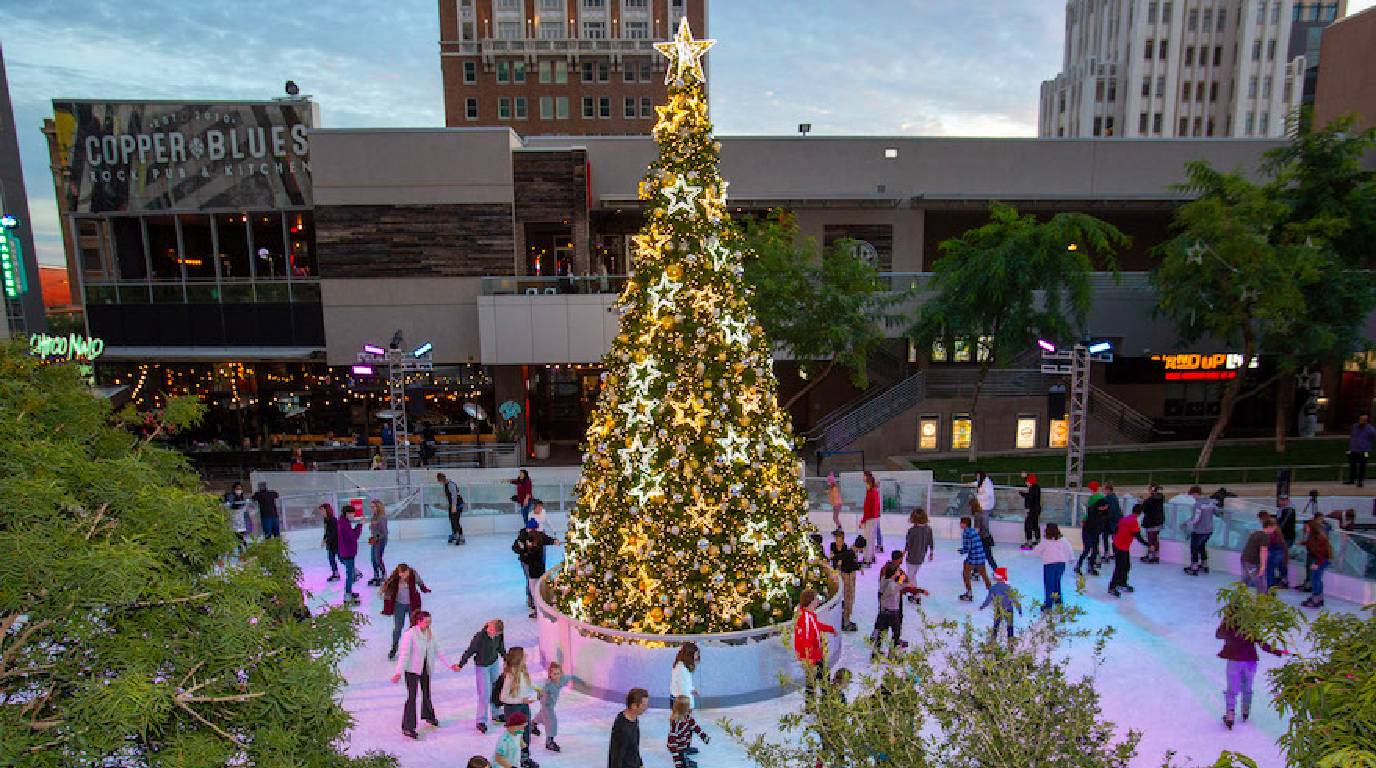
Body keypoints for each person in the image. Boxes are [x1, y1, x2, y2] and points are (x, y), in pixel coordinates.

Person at [390, 610, 460, 740]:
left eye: (430, 621)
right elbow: (404, 654)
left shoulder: (430, 633)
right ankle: (408, 727)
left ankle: (429, 716)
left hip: (425, 668)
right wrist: (398, 672)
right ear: (419, 621)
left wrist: (450, 664)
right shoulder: (409, 635)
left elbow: (438, 650)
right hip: (411, 670)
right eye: (426, 622)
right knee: (412, 697)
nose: (429, 624)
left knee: (427, 693)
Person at [1215, 608, 1286, 729]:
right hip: (1250, 660)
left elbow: (1219, 635)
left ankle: (1230, 714)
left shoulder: (1229, 622)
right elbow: (1261, 643)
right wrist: (1278, 651)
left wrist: (1226, 622)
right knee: (1247, 686)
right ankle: (1245, 711)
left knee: (1232, 689)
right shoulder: (1250, 623)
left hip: (1234, 660)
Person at [458, 619, 507, 734]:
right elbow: (469, 651)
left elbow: (500, 647)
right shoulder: (479, 637)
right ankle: (481, 720)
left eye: (496, 633)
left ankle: (496, 713)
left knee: (496, 689)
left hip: (494, 663)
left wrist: (506, 658)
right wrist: (461, 664)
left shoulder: (499, 635)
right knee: (484, 693)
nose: (494, 634)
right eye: (493, 631)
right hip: (482, 666)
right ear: (489, 627)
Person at [792, 588, 837, 709]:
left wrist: (830, 629)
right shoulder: (805, 618)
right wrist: (809, 657)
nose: (818, 601)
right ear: (810, 601)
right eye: (816, 599)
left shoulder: (809, 615)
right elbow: (805, 638)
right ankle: (813, 706)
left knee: (822, 677)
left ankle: (823, 701)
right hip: (812, 656)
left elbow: (816, 626)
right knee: (813, 681)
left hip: (816, 654)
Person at [872, 560, 926, 659]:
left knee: (882, 633)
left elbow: (900, 586)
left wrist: (917, 589)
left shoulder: (885, 579)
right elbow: (895, 589)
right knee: (895, 634)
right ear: (893, 573)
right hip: (892, 612)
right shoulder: (891, 584)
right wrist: (902, 581)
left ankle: (876, 653)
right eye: (897, 571)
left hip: (885, 612)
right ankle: (891, 655)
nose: (899, 572)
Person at [381, 563, 432, 659]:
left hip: (412, 604)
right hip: (399, 605)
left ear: (408, 571)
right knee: (398, 628)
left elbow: (420, 582)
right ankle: (394, 647)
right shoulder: (395, 578)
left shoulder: (413, 574)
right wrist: (386, 603)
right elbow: (388, 589)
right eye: (402, 574)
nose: (404, 576)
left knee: (415, 627)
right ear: (399, 573)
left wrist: (424, 588)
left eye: (406, 573)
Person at [499, 647, 540, 764]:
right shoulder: (510, 676)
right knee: (517, 735)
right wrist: (521, 700)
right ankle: (517, 759)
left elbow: (529, 684)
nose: (526, 656)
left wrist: (538, 690)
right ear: (518, 658)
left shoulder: (523, 671)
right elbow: (503, 698)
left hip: (523, 706)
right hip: (513, 709)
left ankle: (525, 757)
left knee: (526, 731)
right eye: (524, 655)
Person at [513, 520, 559, 618]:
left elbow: (546, 540)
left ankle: (540, 607)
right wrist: (522, 550)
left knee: (536, 587)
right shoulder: (523, 534)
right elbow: (515, 547)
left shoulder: (538, 536)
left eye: (533, 528)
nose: (530, 530)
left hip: (534, 567)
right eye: (530, 528)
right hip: (531, 565)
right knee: (533, 585)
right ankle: (534, 602)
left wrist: (554, 541)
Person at [1108, 504, 1149, 598]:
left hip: (1120, 545)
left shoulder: (1125, 518)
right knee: (1120, 567)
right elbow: (1138, 536)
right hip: (1120, 546)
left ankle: (1122, 583)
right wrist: (1148, 545)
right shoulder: (1133, 521)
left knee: (1126, 565)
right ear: (1140, 513)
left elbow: (1116, 529)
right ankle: (1112, 587)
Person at [533, 661, 573, 752]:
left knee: (542, 716)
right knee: (551, 721)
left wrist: (582, 682)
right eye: (554, 674)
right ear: (550, 674)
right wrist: (540, 695)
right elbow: (541, 692)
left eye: (558, 673)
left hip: (550, 704)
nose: (556, 676)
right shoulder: (548, 684)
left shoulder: (562, 679)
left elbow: (571, 677)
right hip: (546, 704)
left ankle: (532, 724)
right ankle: (549, 741)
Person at [1032, 523, 1074, 610]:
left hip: (1049, 565)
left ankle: (1048, 605)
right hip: (1061, 565)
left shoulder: (1045, 541)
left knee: (1049, 584)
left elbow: (1036, 551)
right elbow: (1069, 549)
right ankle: (1058, 601)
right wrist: (1071, 558)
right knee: (1057, 582)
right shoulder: (1063, 540)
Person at [980, 567, 1021, 646]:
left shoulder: (993, 588)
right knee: (1010, 626)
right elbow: (1014, 599)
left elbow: (988, 599)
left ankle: (993, 641)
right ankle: (1010, 643)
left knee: (996, 625)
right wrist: (1019, 608)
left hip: (999, 608)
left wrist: (983, 606)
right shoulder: (1009, 588)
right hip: (1009, 609)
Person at [609, 688, 649, 768]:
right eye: (644, 705)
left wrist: (640, 764)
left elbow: (634, 747)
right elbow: (616, 758)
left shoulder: (633, 719)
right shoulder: (622, 729)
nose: (646, 708)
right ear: (634, 706)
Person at [828, 530, 860, 632]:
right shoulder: (832, 545)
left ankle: (845, 616)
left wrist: (838, 562)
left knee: (848, 594)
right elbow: (833, 558)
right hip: (836, 572)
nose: (839, 542)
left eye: (840, 540)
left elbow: (840, 561)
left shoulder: (846, 548)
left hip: (843, 572)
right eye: (837, 540)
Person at [667, 695, 710, 768]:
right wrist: (677, 761)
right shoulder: (677, 724)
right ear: (683, 709)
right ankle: (683, 756)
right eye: (688, 706)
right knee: (686, 764)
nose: (690, 707)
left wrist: (704, 736)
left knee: (690, 729)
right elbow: (672, 744)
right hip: (678, 748)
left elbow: (695, 727)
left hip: (685, 743)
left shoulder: (688, 717)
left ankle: (686, 749)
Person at [1183, 485, 1218, 575]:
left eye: (1192, 495)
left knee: (1194, 548)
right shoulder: (1210, 502)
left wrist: (1186, 523)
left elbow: (1196, 519)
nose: (1192, 497)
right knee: (1202, 546)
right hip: (1209, 530)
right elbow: (1217, 512)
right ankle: (1204, 565)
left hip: (1199, 531)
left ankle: (1194, 568)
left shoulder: (1198, 504)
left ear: (1195, 493)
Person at [1075, 481, 1108, 576]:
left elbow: (1088, 514)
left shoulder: (1093, 500)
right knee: (1093, 548)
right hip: (1092, 529)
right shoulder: (1099, 500)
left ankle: (1080, 565)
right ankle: (1088, 566)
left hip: (1090, 529)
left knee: (1089, 549)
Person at [957, 515, 992, 602]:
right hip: (981, 556)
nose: (960, 524)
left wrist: (961, 551)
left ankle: (969, 594)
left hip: (973, 557)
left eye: (961, 523)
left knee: (965, 574)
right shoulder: (973, 531)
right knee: (984, 576)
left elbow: (968, 547)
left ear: (965, 524)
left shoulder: (966, 533)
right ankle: (993, 594)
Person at [902, 508, 935, 600]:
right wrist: (931, 553)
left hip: (912, 557)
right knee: (912, 575)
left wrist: (903, 554)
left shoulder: (912, 531)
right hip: (921, 556)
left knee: (910, 576)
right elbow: (930, 542)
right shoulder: (928, 529)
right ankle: (913, 593)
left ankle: (916, 595)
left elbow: (908, 544)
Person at [1300, 517, 1332, 608]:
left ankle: (1316, 599)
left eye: (1307, 527)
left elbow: (1322, 553)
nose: (1306, 529)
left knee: (1315, 579)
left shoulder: (1319, 539)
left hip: (1321, 560)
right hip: (1320, 559)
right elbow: (1310, 544)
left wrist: (1317, 563)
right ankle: (1319, 598)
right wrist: (1303, 543)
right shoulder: (1313, 537)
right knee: (1316, 578)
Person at [337, 504, 364, 604]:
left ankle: (349, 592)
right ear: (347, 513)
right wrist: (360, 525)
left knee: (350, 574)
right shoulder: (344, 524)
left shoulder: (342, 522)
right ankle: (347, 596)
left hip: (345, 551)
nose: (353, 515)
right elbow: (353, 536)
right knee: (350, 575)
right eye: (352, 513)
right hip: (348, 552)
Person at [1240, 515, 1274, 594]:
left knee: (1244, 582)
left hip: (1245, 559)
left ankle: (1236, 603)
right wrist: (1262, 567)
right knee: (1261, 584)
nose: (1275, 529)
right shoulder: (1265, 536)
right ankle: (1261, 604)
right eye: (1274, 527)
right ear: (1269, 526)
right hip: (1252, 562)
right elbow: (1263, 551)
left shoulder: (1256, 533)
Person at [669, 642, 701, 712]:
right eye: (696, 654)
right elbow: (684, 689)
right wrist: (690, 706)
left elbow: (685, 683)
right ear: (689, 655)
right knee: (682, 722)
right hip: (681, 703)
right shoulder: (682, 669)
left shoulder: (681, 665)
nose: (697, 657)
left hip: (678, 700)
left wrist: (692, 689)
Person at [1345, 413, 1375, 487]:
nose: (1362, 421)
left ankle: (1360, 481)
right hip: (1354, 449)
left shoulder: (1371, 429)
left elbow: (1373, 438)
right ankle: (1351, 479)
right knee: (1352, 465)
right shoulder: (1355, 426)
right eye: (1361, 419)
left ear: (1367, 420)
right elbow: (1352, 436)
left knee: (1362, 465)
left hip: (1364, 450)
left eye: (1364, 420)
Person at [1274, 496, 1297, 589]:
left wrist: (1276, 530)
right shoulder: (1280, 510)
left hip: (1286, 538)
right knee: (1279, 558)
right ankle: (1281, 577)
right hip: (1281, 537)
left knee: (1282, 558)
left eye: (1284, 500)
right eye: (1281, 500)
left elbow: (1282, 524)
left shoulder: (1289, 510)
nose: (1282, 502)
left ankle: (1284, 579)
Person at [1139, 484, 1166, 564]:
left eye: (1150, 489)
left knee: (1151, 539)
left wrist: (1143, 501)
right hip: (1158, 522)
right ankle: (1156, 556)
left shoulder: (1150, 500)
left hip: (1151, 522)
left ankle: (1151, 556)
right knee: (1155, 539)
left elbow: (1145, 509)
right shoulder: (1160, 498)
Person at [969, 497, 998, 569]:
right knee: (982, 556)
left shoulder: (977, 516)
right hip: (986, 537)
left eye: (970, 506)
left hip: (982, 539)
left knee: (985, 557)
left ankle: (998, 573)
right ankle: (976, 572)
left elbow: (977, 529)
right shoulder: (983, 513)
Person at [439, 472, 466, 545]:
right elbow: (448, 495)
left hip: (457, 504)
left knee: (455, 520)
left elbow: (454, 495)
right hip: (452, 504)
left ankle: (460, 536)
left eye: (440, 481)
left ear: (442, 479)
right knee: (451, 519)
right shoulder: (445, 485)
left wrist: (454, 506)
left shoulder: (451, 484)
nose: (439, 483)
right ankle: (455, 534)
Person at [860, 472, 881, 566]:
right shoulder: (875, 491)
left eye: (866, 484)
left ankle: (867, 560)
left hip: (870, 519)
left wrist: (863, 521)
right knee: (871, 539)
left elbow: (867, 509)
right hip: (874, 518)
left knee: (867, 540)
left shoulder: (871, 493)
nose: (865, 486)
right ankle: (871, 557)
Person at [368, 499, 390, 587]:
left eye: (373, 507)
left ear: (378, 507)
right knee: (373, 559)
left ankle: (384, 575)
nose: (372, 508)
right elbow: (374, 529)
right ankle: (376, 575)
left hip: (381, 541)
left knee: (378, 558)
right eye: (371, 507)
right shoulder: (374, 516)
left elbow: (385, 533)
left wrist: (376, 538)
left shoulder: (382, 517)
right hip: (375, 540)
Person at [1019, 473, 1042, 549]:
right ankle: (1038, 541)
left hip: (1032, 510)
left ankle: (1029, 543)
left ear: (1030, 482)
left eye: (1027, 482)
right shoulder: (1036, 487)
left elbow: (1030, 498)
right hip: (1036, 510)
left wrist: (1022, 494)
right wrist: (1025, 476)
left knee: (1028, 526)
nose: (1026, 483)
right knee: (1035, 525)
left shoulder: (1033, 488)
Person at [318, 503, 341, 581]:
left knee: (342, 559)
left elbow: (335, 532)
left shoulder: (333, 519)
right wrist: (324, 539)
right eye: (320, 510)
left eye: (322, 510)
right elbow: (326, 531)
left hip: (336, 543)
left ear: (326, 510)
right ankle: (335, 573)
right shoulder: (326, 520)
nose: (321, 512)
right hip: (330, 543)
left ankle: (354, 571)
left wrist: (327, 540)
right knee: (331, 559)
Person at [1101, 482, 1122, 555]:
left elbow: (1111, 511)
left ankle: (1107, 553)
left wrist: (1104, 518)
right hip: (1116, 521)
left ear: (1108, 490)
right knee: (1113, 537)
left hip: (1111, 521)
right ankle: (1114, 553)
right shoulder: (1115, 497)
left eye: (1104, 489)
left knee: (1106, 536)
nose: (1103, 491)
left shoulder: (1109, 498)